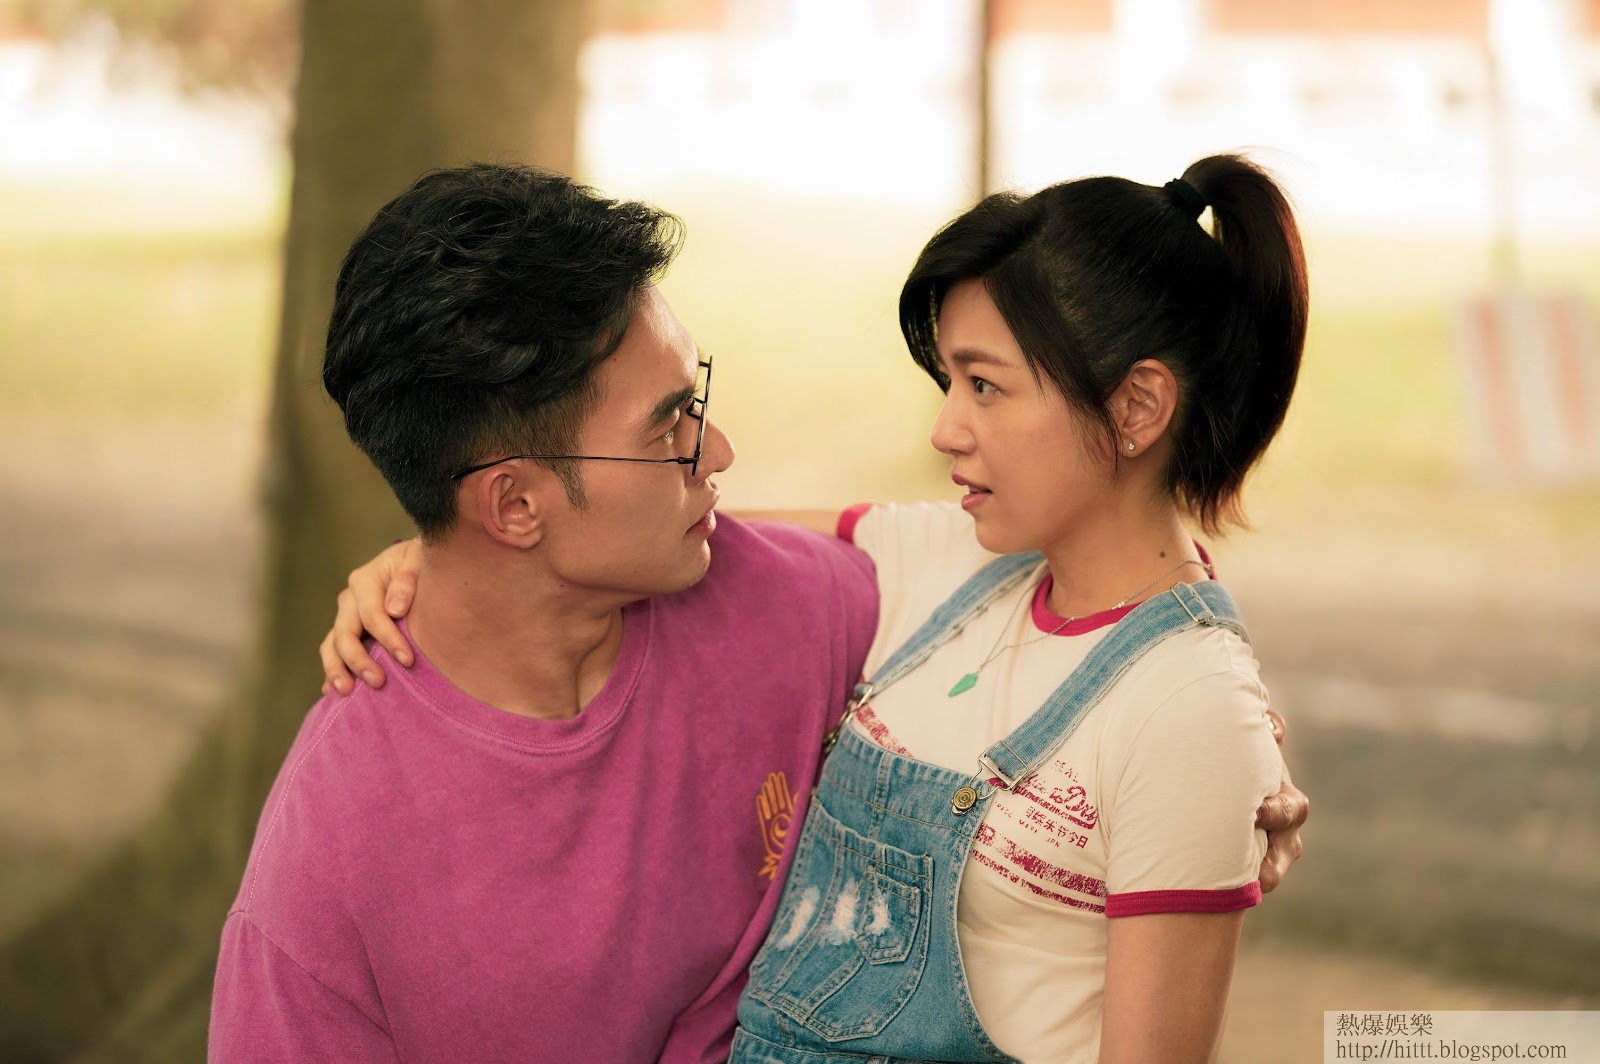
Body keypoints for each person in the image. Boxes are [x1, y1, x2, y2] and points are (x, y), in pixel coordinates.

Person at [318, 158, 1309, 1062]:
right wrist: (447, 552)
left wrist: (1209, 752)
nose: (945, 428)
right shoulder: (942, 562)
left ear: (1137, 408)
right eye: (950, 381)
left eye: (985, 386)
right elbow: (647, 521)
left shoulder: (1189, 708)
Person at [209, 163, 882, 1064]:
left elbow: (1026, 558)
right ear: (515, 506)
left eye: (695, 399)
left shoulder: (786, 600)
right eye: (669, 427)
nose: (717, 450)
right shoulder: (329, 873)